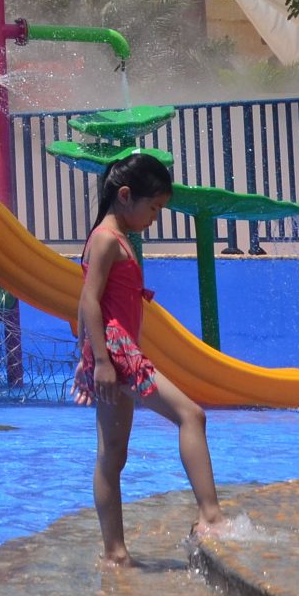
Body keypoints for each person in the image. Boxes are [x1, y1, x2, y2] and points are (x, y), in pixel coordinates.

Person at [76, 152, 228, 562]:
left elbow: (87, 300)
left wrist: (86, 355)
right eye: (154, 207)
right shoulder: (107, 239)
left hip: (112, 350)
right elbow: (88, 300)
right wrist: (100, 361)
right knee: (191, 415)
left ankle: (115, 553)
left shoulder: (112, 237)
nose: (155, 217)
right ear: (125, 195)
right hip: (118, 351)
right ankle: (210, 516)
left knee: (112, 455)